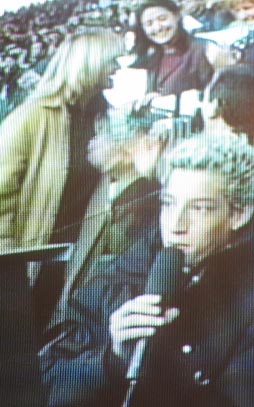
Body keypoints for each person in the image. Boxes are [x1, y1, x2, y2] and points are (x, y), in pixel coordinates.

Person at [40, 133, 254, 407]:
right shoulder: (119, 275)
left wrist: (172, 360)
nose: (175, 225)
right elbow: (46, 385)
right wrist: (112, 360)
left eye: (200, 208)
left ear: (239, 214)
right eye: (169, 203)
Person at [45, 107, 166, 337]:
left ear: (127, 149)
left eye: (102, 135)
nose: (93, 141)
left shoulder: (141, 202)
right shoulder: (111, 190)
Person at [0, 29, 123, 253]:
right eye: (111, 61)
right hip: (28, 255)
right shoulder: (32, 116)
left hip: (78, 254)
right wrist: (7, 256)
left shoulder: (103, 117)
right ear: (90, 63)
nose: (118, 67)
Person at [132, 0, 213, 110]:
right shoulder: (153, 56)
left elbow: (214, 96)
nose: (157, 27)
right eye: (149, 24)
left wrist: (168, 101)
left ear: (176, 16)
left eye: (162, 19)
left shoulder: (203, 50)